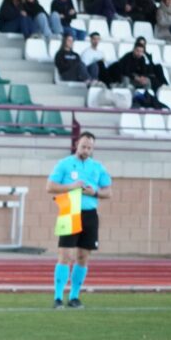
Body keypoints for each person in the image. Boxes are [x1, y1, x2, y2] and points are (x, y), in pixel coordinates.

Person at [48, 132, 113, 309]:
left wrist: (96, 192)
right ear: (77, 144)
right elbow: (50, 186)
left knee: (83, 256)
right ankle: (58, 297)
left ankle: (74, 297)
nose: (86, 150)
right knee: (65, 255)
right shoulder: (65, 164)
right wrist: (71, 186)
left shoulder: (97, 167)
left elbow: (108, 191)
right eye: (84, 146)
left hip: (90, 214)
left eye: (90, 147)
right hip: (70, 210)